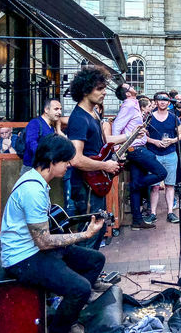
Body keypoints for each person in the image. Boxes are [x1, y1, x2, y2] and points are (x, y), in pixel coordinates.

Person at [0, 134, 105, 333]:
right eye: (66, 161)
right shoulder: (33, 190)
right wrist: (85, 234)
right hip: (22, 259)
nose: (69, 165)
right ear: (52, 161)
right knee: (80, 288)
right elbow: (44, 241)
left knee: (95, 260)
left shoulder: (39, 182)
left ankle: (70, 318)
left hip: (36, 249)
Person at [66, 67, 121, 219]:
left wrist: (131, 135)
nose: (104, 92)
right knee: (89, 234)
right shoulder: (79, 118)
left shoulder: (93, 113)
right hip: (85, 184)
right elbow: (76, 159)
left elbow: (103, 143)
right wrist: (105, 165)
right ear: (85, 91)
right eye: (99, 89)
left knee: (98, 229)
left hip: (95, 182)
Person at [113, 84, 166, 230]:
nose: (132, 86)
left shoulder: (134, 104)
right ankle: (134, 186)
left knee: (137, 183)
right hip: (135, 149)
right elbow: (117, 126)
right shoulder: (128, 105)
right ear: (127, 93)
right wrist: (118, 149)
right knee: (162, 173)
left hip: (137, 147)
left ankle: (137, 220)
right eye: (129, 86)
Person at [144, 92, 181, 224]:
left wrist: (172, 141)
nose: (163, 102)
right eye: (160, 99)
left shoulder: (173, 117)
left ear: (169, 102)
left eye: (165, 100)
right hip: (154, 155)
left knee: (170, 185)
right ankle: (153, 213)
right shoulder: (149, 118)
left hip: (171, 154)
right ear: (156, 102)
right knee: (154, 186)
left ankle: (170, 212)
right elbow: (142, 136)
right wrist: (154, 142)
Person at [20, 98, 62, 175]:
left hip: (44, 168)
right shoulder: (35, 123)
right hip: (31, 168)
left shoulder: (51, 128)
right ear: (46, 110)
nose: (60, 112)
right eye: (56, 109)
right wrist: (45, 156)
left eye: (60, 109)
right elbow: (31, 143)